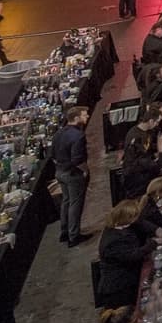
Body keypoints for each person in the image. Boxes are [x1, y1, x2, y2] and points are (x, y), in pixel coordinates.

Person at [52, 104, 92, 246]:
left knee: (66, 201)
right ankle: (74, 236)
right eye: (84, 115)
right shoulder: (78, 136)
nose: (87, 116)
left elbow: (53, 155)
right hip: (73, 174)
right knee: (75, 204)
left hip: (60, 172)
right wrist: (85, 170)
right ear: (76, 118)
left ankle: (64, 232)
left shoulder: (58, 133)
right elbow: (77, 160)